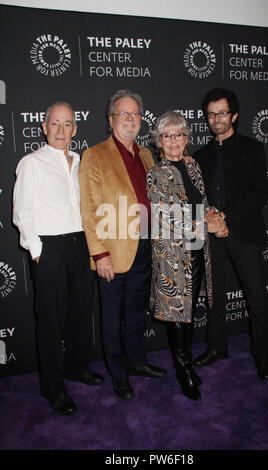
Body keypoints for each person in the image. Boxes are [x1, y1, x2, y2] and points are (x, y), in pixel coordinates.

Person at [13, 102, 103, 416]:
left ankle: (77, 367)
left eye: (68, 124)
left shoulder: (81, 161)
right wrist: (38, 252)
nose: (61, 130)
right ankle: (53, 388)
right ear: (44, 127)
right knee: (51, 322)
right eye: (55, 124)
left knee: (80, 313)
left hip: (81, 244)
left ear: (75, 129)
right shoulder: (31, 163)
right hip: (49, 248)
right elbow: (22, 212)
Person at [79, 90, 166, 400]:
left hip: (144, 246)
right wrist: (99, 253)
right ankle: (118, 374)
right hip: (112, 252)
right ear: (110, 119)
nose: (130, 118)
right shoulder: (95, 155)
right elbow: (89, 208)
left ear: (141, 120)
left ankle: (137, 361)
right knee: (113, 316)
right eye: (123, 113)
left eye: (135, 114)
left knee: (135, 311)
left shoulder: (145, 154)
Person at [193, 88, 268, 380]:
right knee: (214, 296)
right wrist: (211, 219)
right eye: (212, 113)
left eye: (222, 113)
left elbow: (259, 193)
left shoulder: (252, 148)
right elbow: (197, 197)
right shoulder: (200, 155)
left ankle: (263, 355)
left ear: (234, 115)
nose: (216, 118)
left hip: (243, 233)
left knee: (256, 295)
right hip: (211, 234)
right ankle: (217, 346)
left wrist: (224, 215)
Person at [147, 111, 228, 400]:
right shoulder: (156, 174)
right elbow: (164, 220)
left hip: (196, 251)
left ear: (186, 139)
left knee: (189, 313)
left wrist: (216, 219)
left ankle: (186, 364)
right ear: (159, 141)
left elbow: (202, 203)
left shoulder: (193, 168)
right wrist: (205, 223)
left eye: (178, 135)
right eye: (167, 136)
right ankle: (183, 371)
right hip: (172, 255)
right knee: (178, 316)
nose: (173, 141)